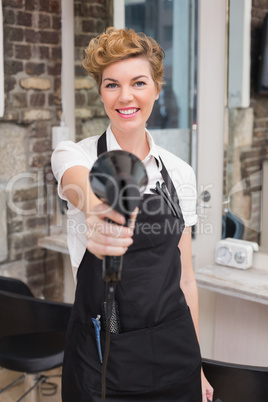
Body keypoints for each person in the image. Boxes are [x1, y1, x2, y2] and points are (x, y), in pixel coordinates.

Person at [52, 27, 213, 402]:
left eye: (138, 82)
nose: (125, 96)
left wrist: (198, 361)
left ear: (157, 88)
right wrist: (100, 213)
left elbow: (186, 279)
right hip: (103, 357)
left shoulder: (180, 172)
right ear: (101, 93)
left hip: (177, 354)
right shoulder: (75, 155)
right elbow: (81, 186)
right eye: (112, 85)